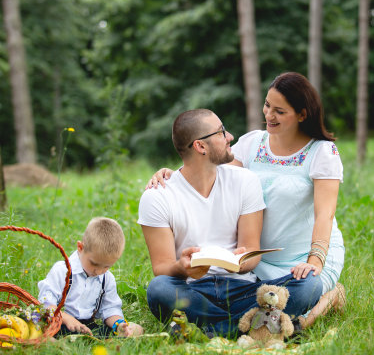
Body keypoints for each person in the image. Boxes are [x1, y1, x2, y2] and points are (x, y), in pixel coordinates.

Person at [148, 72, 346, 329]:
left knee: (307, 287)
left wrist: (314, 261)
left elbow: (325, 214)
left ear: (302, 114)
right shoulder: (253, 143)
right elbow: (207, 167)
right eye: (267, 105)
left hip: (299, 261)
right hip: (255, 265)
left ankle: (213, 328)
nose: (269, 115)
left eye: (279, 111)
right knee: (161, 289)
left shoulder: (322, 152)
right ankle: (259, 325)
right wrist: (171, 175)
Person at [38, 217, 144, 338]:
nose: (98, 271)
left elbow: (110, 309)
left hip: (87, 327)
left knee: (127, 331)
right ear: (80, 248)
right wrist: (66, 318)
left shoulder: (106, 279)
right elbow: (45, 303)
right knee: (39, 327)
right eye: (94, 263)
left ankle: (118, 333)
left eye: (106, 266)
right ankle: (51, 339)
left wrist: (118, 324)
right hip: (58, 322)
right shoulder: (62, 271)